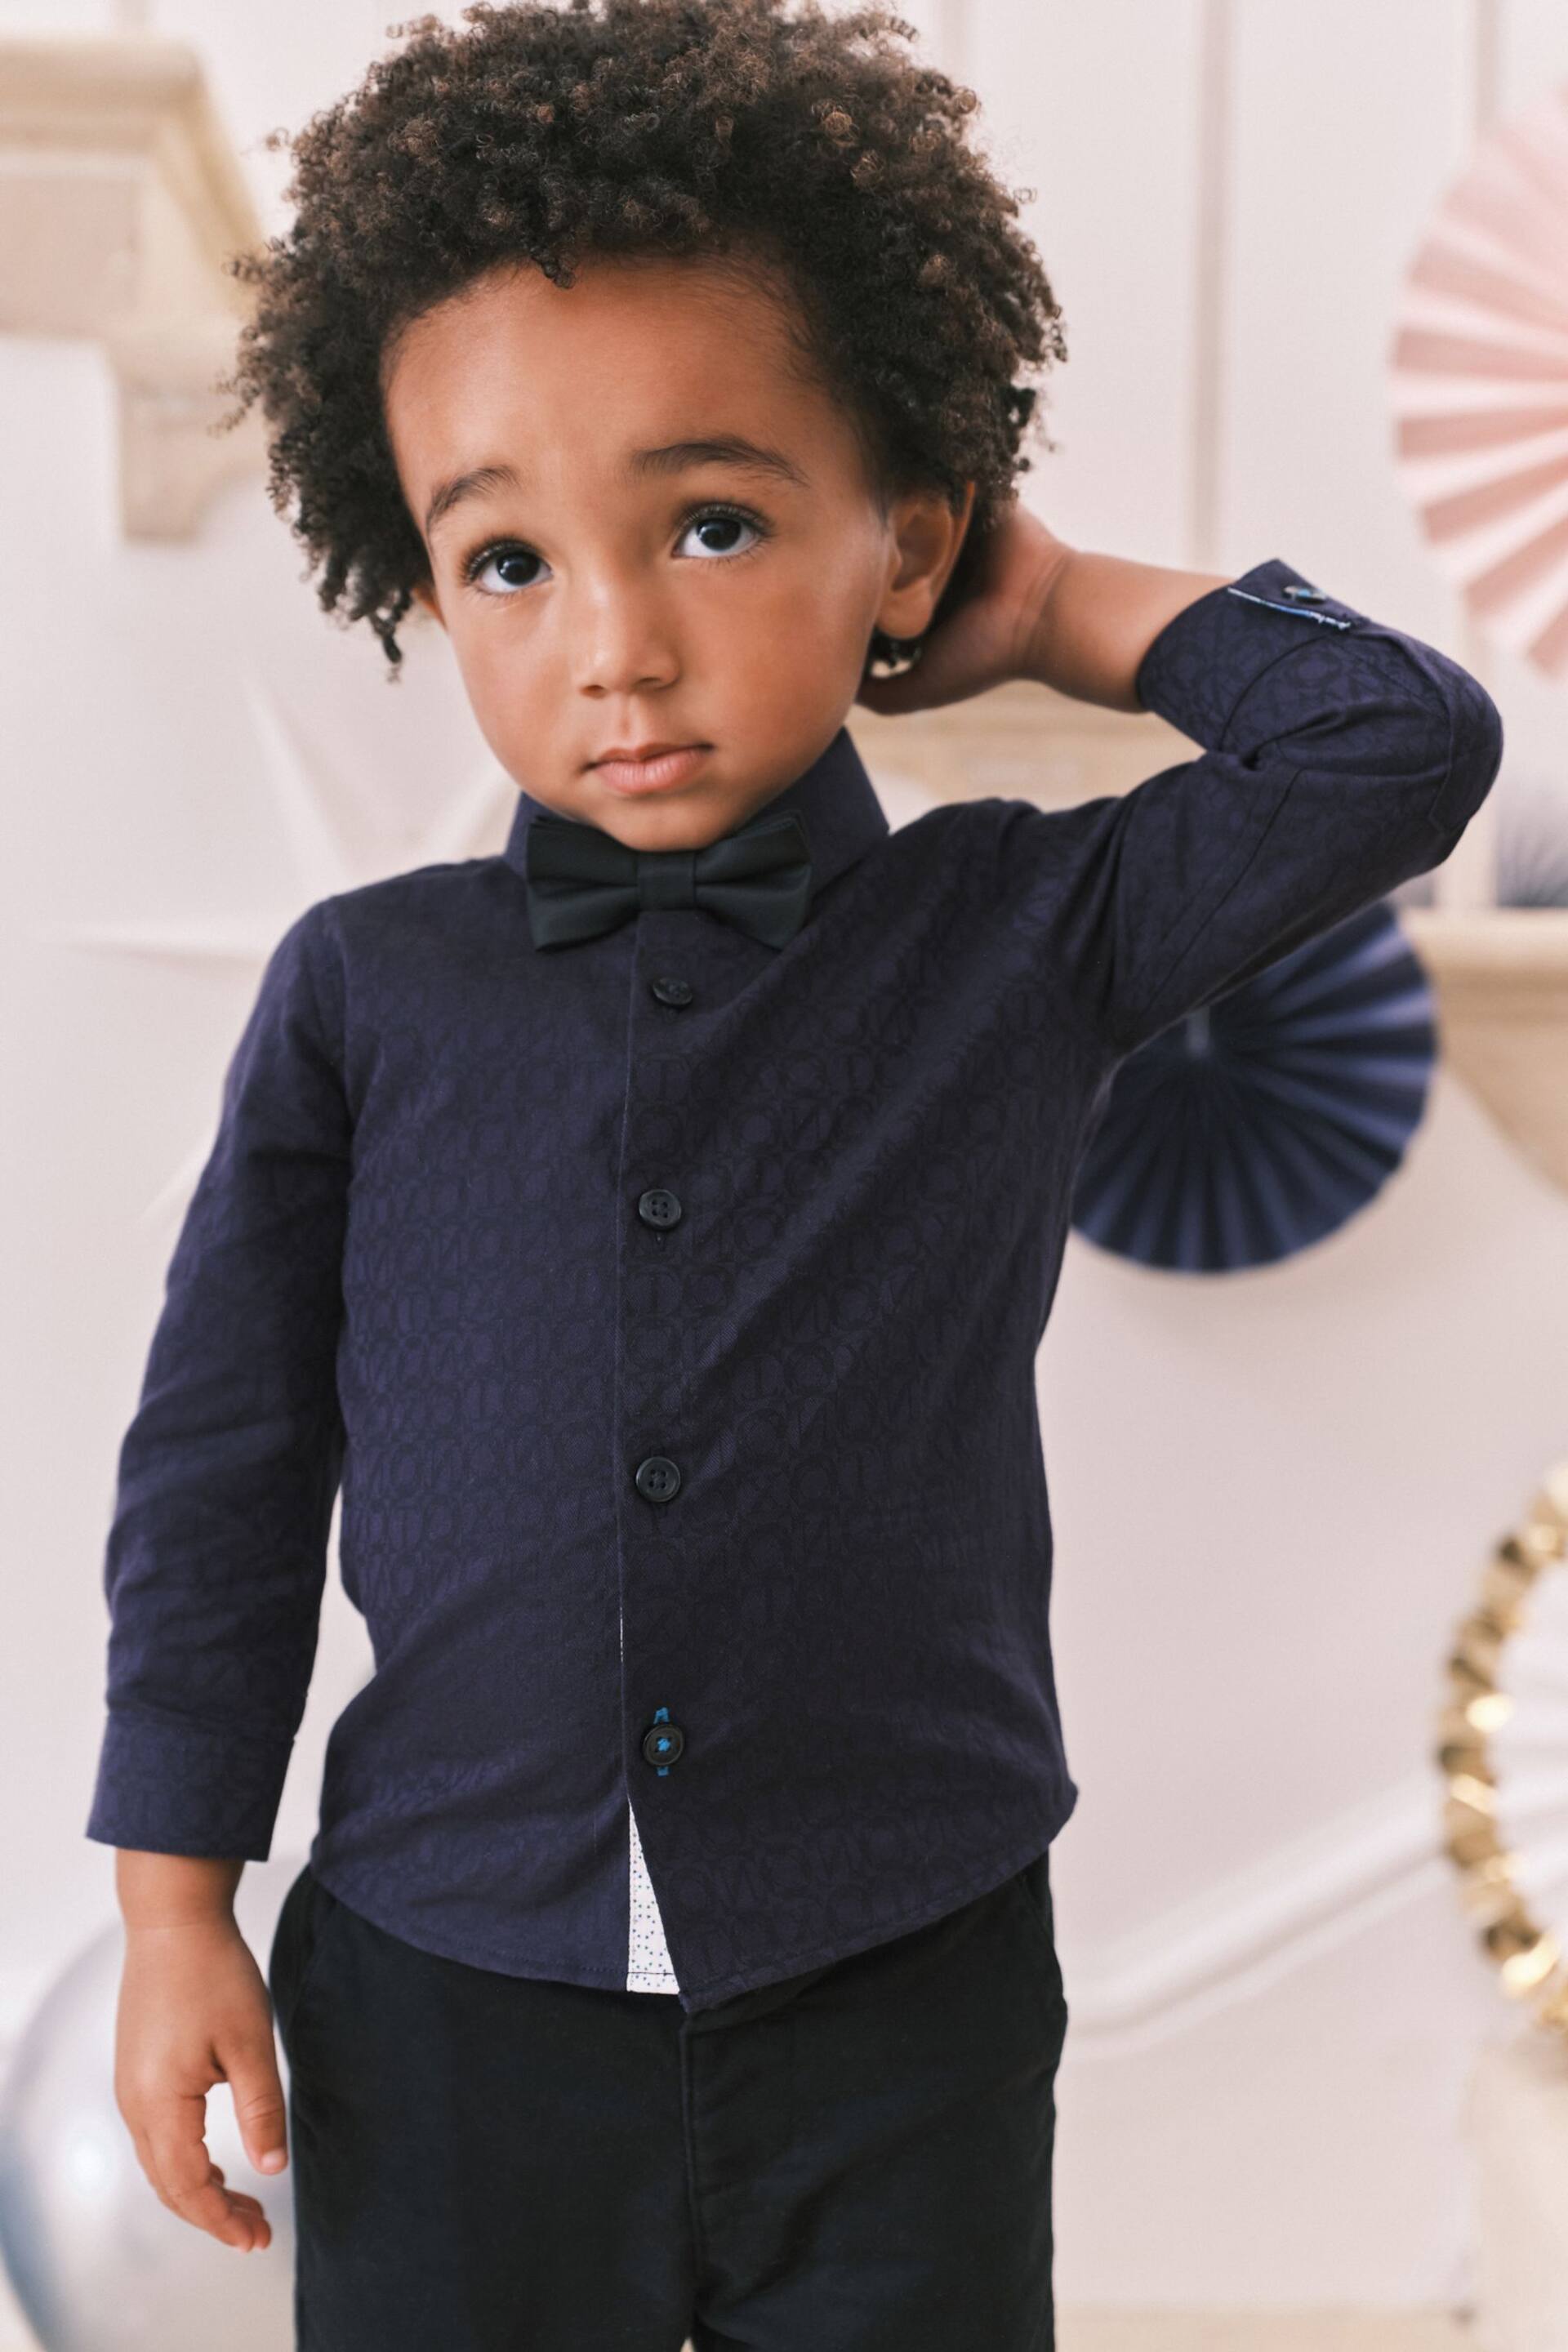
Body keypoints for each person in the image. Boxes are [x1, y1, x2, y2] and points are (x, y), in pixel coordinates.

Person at [82, 2, 1503, 2345]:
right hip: (445, 1980)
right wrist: (170, 1911)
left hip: (900, 1977)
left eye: (715, 525)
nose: (617, 646)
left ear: (902, 534)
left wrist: (1050, 611)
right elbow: (220, 1467)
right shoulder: (363, 988)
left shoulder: (1024, 927)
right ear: (417, 584)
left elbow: (1399, 740)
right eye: (509, 562)